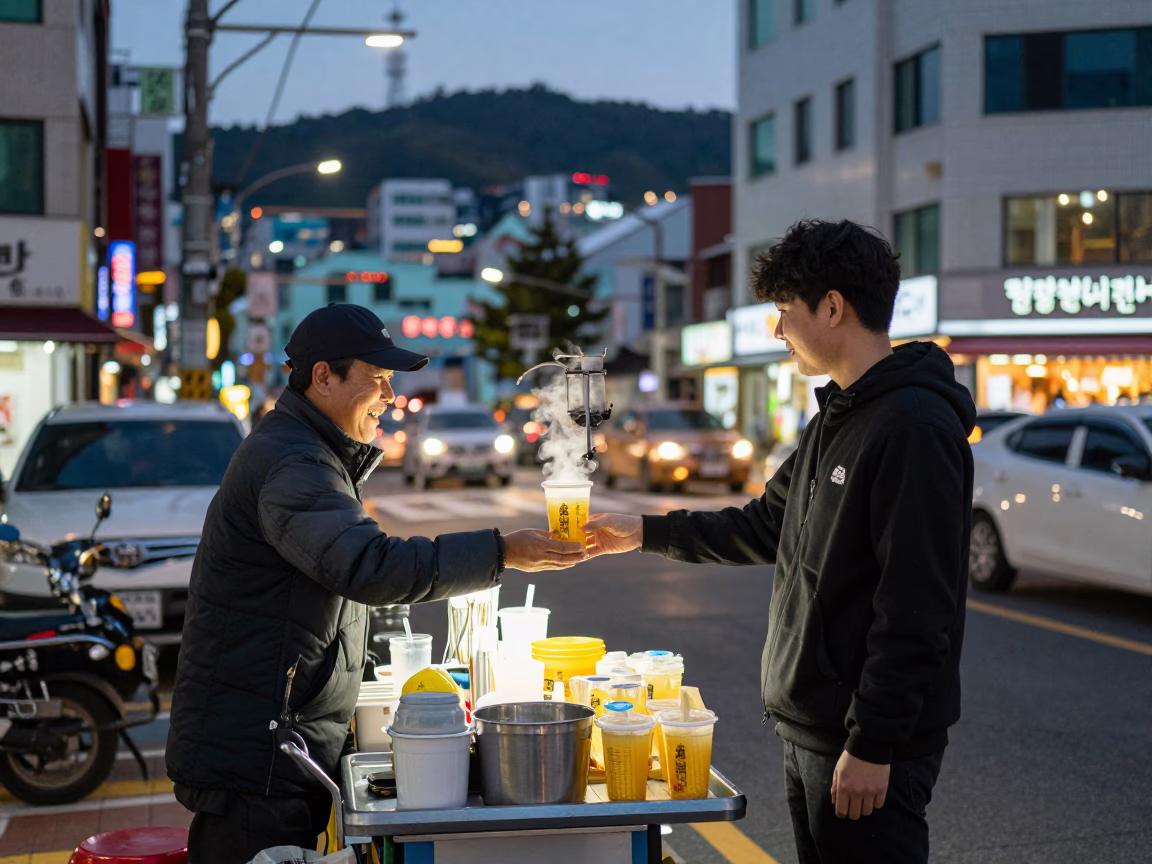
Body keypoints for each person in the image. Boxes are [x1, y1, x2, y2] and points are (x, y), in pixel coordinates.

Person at [586, 220, 976, 864]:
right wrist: (643, 532)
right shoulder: (839, 416)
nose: (777, 332)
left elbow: (917, 608)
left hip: (864, 743)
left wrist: (874, 744)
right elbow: (764, 523)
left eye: (784, 312)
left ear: (832, 307)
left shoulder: (913, 427)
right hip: (814, 728)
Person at [167, 304, 586, 862]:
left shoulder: (309, 452)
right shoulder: (293, 464)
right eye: (380, 380)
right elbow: (369, 567)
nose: (390, 397)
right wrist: (503, 551)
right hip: (256, 758)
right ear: (324, 377)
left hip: (274, 747)